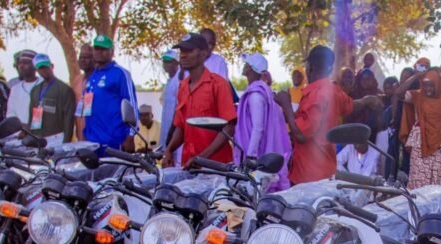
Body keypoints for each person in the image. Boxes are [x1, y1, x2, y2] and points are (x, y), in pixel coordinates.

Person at [274, 45, 381, 185]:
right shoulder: (333, 90)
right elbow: (350, 105)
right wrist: (365, 100)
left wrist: (286, 104)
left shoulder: (317, 95)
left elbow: (301, 135)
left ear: (309, 67)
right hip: (324, 170)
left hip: (308, 177)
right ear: (330, 69)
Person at [163, 33, 236, 167]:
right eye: (182, 51)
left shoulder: (218, 84)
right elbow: (181, 126)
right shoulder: (183, 86)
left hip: (216, 168)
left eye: (189, 51)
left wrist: (202, 158)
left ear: (203, 54)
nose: (183, 55)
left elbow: (229, 127)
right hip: (189, 165)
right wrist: (169, 150)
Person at [234, 52, 291, 190]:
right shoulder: (260, 92)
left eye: (246, 64)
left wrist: (250, 156)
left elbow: (258, 128)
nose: (244, 66)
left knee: (257, 190)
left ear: (250, 68)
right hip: (258, 153)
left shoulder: (256, 95)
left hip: (257, 155)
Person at [399, 68, 441, 189]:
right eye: (425, 85)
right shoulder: (417, 96)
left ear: (438, 84)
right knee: (418, 181)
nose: (428, 88)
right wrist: (416, 76)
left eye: (432, 85)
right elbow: (398, 94)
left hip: (439, 144)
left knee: (436, 182)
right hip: (420, 144)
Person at [79, 35, 138, 154]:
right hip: (92, 142)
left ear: (112, 52)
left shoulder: (120, 73)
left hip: (113, 142)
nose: (99, 52)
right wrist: (85, 133)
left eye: (104, 49)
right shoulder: (92, 76)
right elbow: (87, 108)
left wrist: (131, 135)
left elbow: (132, 106)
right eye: (97, 49)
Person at [27, 54, 75, 145]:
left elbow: (69, 119)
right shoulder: (35, 90)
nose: (43, 70)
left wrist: (66, 142)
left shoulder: (64, 89)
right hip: (38, 138)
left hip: (57, 139)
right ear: (37, 70)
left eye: (45, 67)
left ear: (52, 66)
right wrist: (31, 137)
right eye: (40, 68)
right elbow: (31, 117)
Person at [6, 50, 40, 123]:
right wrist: (19, 126)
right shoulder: (15, 89)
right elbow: (11, 113)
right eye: (20, 63)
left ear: (35, 66)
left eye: (25, 63)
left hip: (41, 129)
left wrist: (32, 126)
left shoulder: (44, 85)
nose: (21, 66)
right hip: (19, 129)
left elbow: (43, 109)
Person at [159, 48, 181, 148]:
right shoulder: (169, 81)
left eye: (169, 62)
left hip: (175, 129)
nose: (165, 64)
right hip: (166, 127)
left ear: (177, 63)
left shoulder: (179, 80)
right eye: (164, 61)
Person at [73, 43, 94, 140]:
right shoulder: (77, 80)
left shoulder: (100, 79)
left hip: (97, 133)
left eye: (86, 57)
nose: (82, 60)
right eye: (80, 57)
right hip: (80, 134)